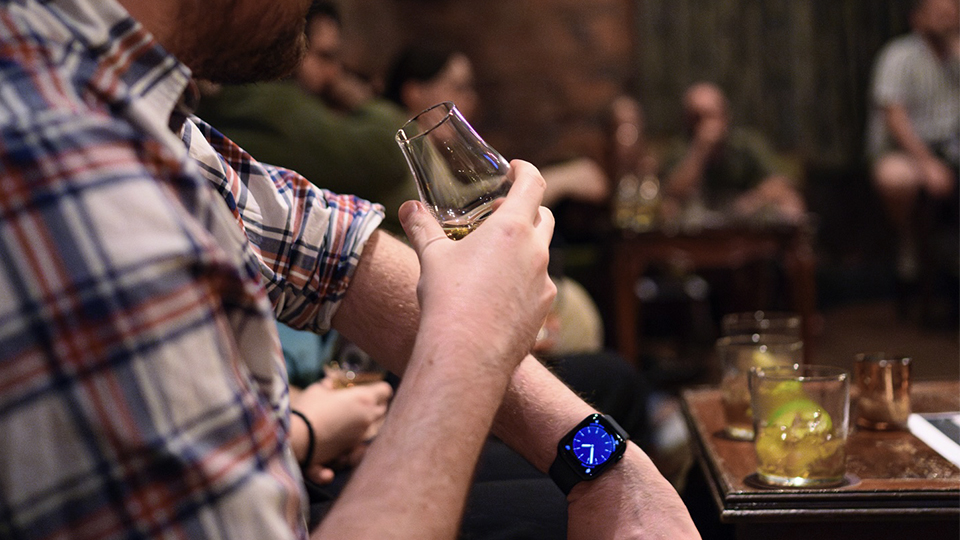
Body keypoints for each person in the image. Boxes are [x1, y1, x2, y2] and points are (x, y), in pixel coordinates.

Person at [0, 3, 701, 540]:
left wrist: (604, 462)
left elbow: (330, 251)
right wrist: (470, 339)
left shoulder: (115, 91)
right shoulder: (69, 159)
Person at [865, 0, 960, 285]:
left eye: (952, 11)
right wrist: (926, 162)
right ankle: (910, 242)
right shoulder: (899, 54)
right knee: (897, 178)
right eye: (938, 12)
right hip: (906, 150)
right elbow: (894, 117)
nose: (946, 18)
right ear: (917, 18)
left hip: (952, 148)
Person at [661, 82, 806, 227]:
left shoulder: (745, 143)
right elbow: (672, 193)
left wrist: (753, 200)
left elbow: (780, 181)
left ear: (725, 116)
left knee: (791, 201)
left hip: (744, 221)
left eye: (711, 115)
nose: (705, 124)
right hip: (697, 224)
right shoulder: (681, 148)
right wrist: (700, 151)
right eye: (697, 117)